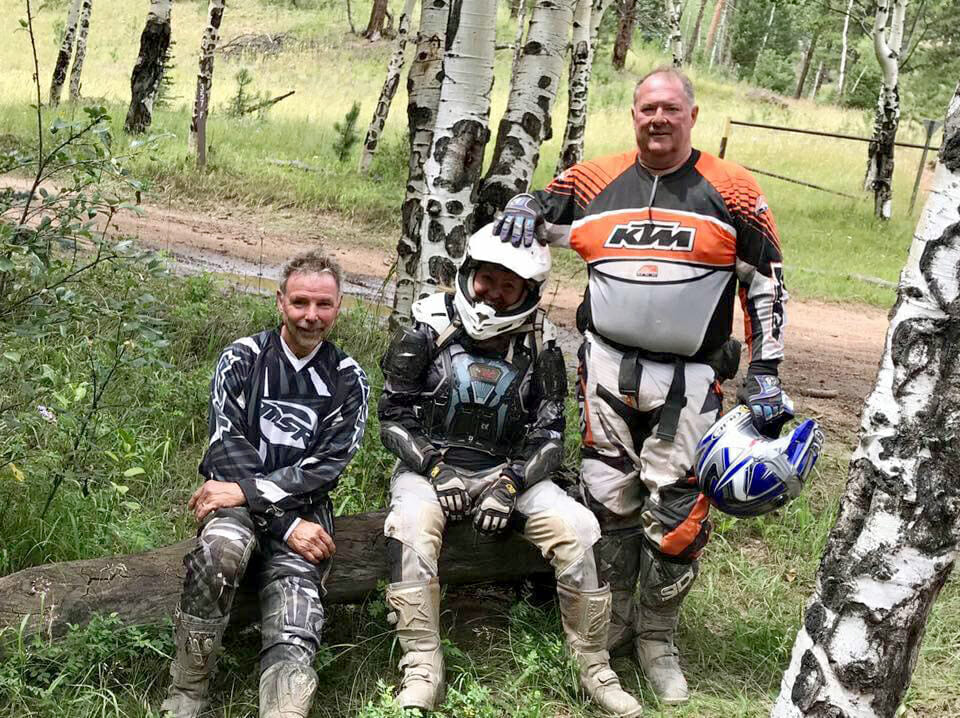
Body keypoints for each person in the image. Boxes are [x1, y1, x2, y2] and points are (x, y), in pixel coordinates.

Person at [493, 66, 788, 705]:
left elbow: (766, 283)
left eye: (670, 109)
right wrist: (521, 204)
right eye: (647, 108)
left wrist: (766, 372)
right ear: (633, 114)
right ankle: (614, 623)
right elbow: (538, 208)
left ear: (692, 115)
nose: (658, 119)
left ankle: (659, 638)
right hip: (603, 368)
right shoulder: (596, 177)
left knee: (681, 511)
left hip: (692, 377)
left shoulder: (734, 190)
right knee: (607, 500)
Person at [378, 226, 643, 717]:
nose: (493, 293)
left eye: (509, 286)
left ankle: (593, 665)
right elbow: (392, 417)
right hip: (428, 467)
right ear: (468, 273)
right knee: (409, 529)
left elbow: (550, 435)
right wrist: (435, 467)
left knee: (580, 528)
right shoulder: (425, 329)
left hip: (509, 472)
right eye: (487, 279)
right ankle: (422, 667)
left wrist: (510, 483)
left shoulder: (540, 345)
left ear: (529, 292)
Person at [160, 251, 370, 718]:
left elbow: (326, 468)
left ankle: (284, 710)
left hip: (302, 509)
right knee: (220, 552)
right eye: (300, 303)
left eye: (324, 305)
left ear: (339, 306)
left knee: (297, 602)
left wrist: (260, 501)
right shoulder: (241, 358)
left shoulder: (349, 378)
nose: (311, 316)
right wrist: (281, 519)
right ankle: (187, 692)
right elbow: (225, 448)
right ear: (280, 302)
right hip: (244, 508)